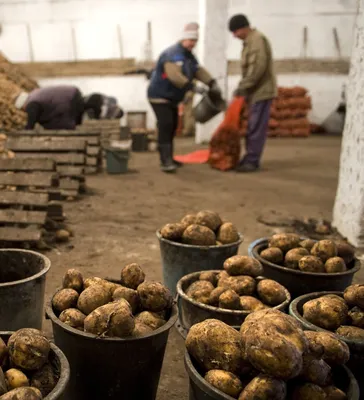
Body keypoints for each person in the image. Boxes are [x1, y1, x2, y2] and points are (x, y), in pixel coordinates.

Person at [147, 22, 222, 173]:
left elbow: (197, 70)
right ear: (184, 39)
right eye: (191, 40)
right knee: (166, 125)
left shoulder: (189, 56)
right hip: (159, 96)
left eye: (195, 41)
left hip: (172, 98)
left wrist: (211, 82)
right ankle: (165, 161)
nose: (193, 44)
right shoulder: (172, 54)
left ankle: (169, 158)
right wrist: (193, 87)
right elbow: (174, 76)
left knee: (173, 126)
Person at [229, 14, 277, 172]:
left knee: (256, 127)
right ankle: (249, 157)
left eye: (235, 32)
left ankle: (252, 160)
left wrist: (244, 86)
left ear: (243, 28)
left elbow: (257, 68)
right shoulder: (249, 41)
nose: (234, 36)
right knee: (252, 125)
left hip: (261, 91)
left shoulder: (256, 41)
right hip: (254, 91)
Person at [14, 85, 87, 130]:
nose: (24, 111)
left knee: (60, 123)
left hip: (70, 100)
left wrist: (26, 129)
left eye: (22, 109)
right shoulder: (34, 94)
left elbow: (31, 125)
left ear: (23, 105)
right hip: (74, 93)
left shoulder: (32, 104)